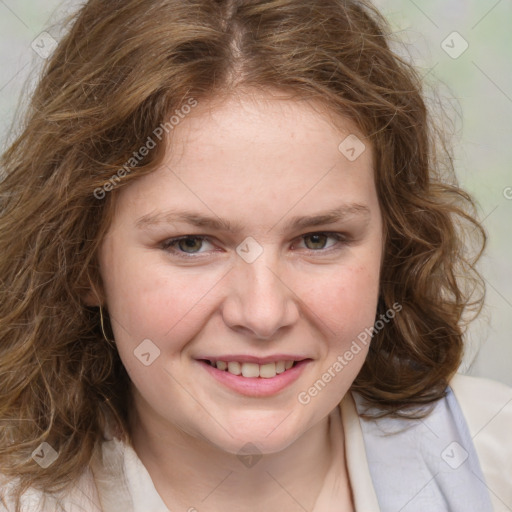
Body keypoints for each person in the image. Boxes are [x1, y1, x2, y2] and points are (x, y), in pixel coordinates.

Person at [1, 0, 511, 511]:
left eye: (318, 239)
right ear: (84, 261)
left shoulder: (494, 455)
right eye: (190, 244)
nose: (263, 314)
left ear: (390, 245)